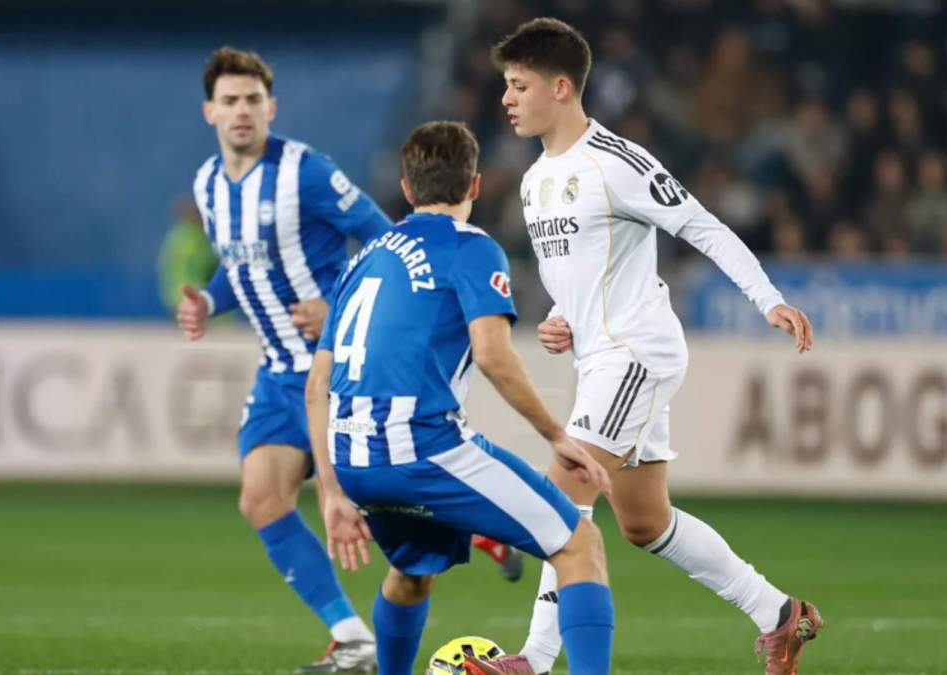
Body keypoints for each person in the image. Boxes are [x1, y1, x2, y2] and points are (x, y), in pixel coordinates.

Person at [491, 19, 821, 675]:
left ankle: (534, 656)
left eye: (519, 85)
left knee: (567, 483)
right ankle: (779, 612)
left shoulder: (616, 162)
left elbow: (700, 223)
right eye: (505, 85)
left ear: (561, 87)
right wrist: (562, 317)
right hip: (601, 359)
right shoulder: (533, 183)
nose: (506, 98)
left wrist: (768, 299)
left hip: (638, 352)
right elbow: (583, 273)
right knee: (644, 522)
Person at [175, 48, 516, 673]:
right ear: (209, 111)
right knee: (262, 499)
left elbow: (390, 233)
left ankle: (471, 522)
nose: (242, 111)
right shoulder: (207, 185)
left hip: (341, 367)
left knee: (378, 494)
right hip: (280, 367)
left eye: (253, 99)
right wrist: (209, 298)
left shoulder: (303, 172)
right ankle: (354, 635)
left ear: (271, 107)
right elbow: (241, 260)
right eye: (230, 100)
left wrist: (339, 305)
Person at [307, 121, 615, 675]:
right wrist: (555, 436)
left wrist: (330, 488)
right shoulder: (472, 248)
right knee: (578, 542)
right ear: (475, 185)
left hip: (352, 460)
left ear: (405, 189)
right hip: (422, 449)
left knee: (411, 571)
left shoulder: (366, 257)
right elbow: (493, 355)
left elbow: (316, 385)